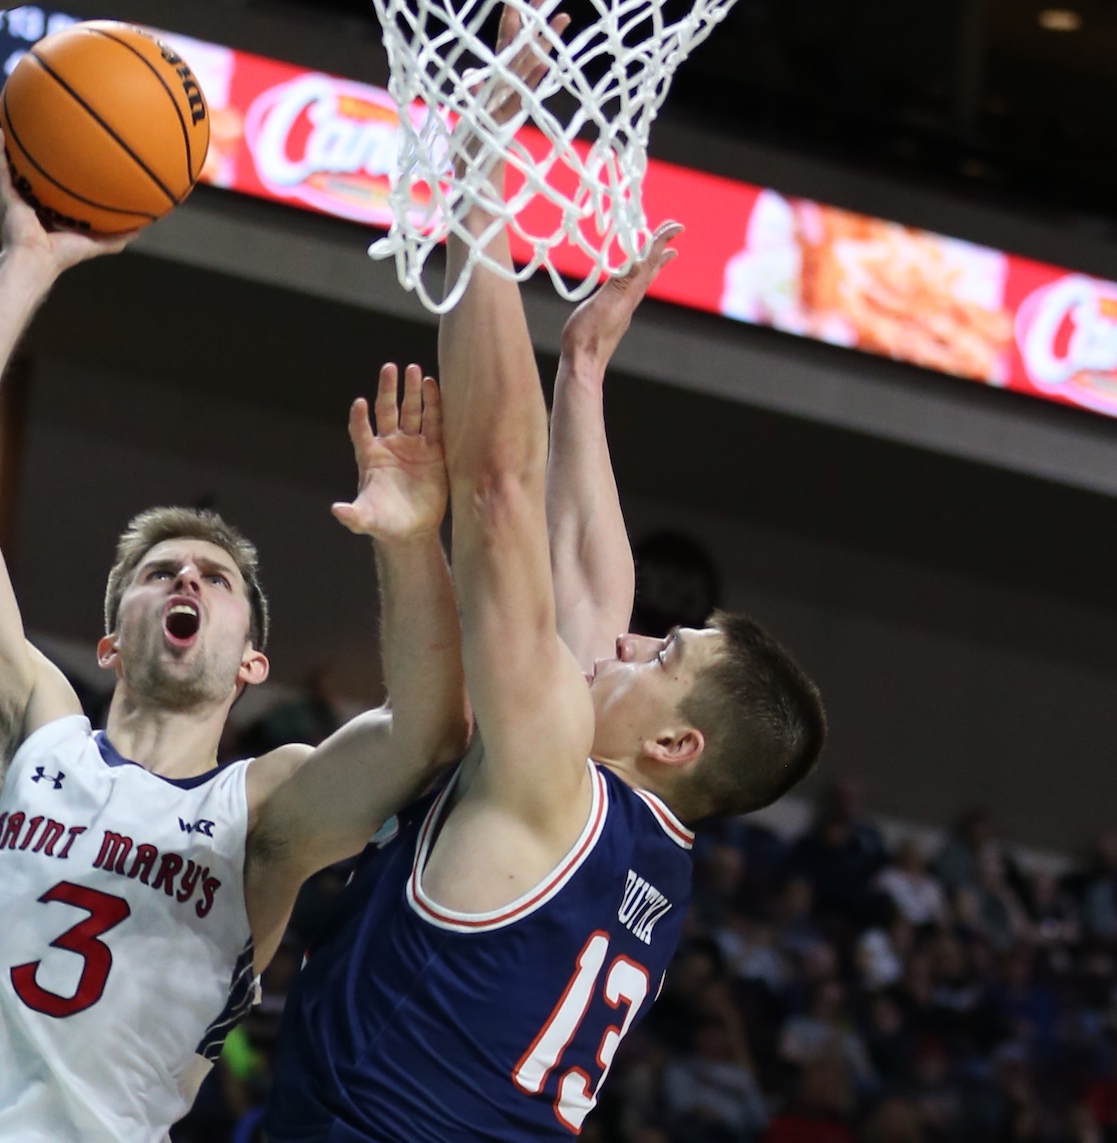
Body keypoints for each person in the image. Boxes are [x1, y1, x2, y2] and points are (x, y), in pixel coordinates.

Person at [0, 132, 467, 1143]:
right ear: (108, 641)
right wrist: (28, 261)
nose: (185, 577)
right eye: (156, 574)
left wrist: (407, 542)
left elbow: (425, 738)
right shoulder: (25, 730)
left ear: (251, 666)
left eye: (215, 580)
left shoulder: (261, 810)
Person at [267, 16, 825, 1138]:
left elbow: (500, 499)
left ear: (674, 745)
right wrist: (579, 373)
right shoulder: (633, 857)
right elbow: (583, 585)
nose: (628, 640)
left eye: (662, 656)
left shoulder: (549, 788)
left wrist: (478, 184)